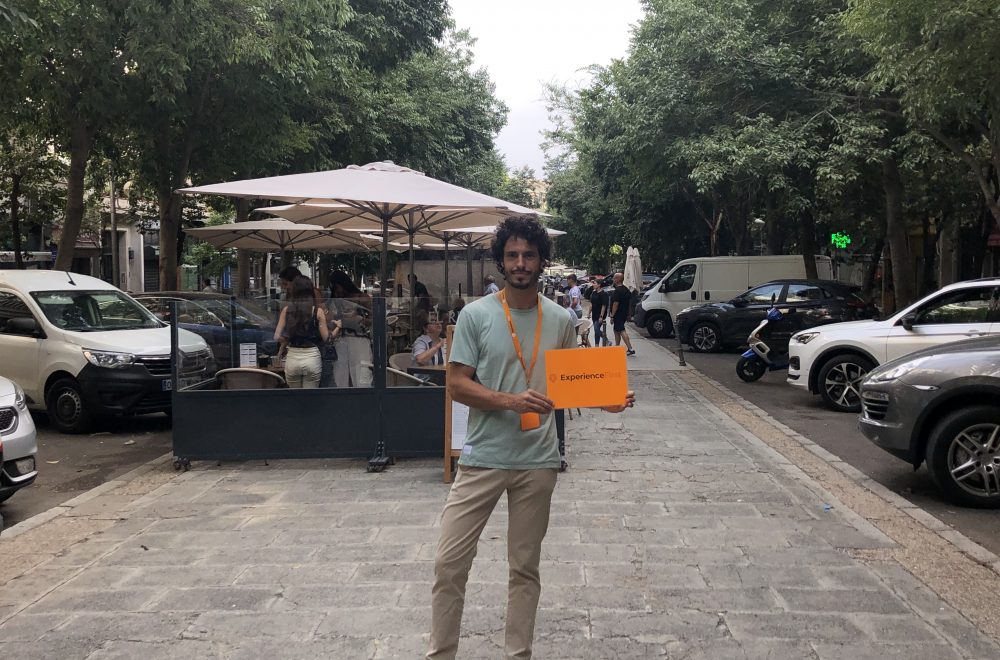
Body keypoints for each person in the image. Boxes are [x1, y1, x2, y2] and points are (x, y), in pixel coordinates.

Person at [428, 215, 636, 660]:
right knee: (449, 563)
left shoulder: (561, 319)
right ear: (501, 261)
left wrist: (609, 400)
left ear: (542, 260)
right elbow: (456, 384)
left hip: (538, 463)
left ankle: (517, 653)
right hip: (482, 458)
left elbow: (574, 383)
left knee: (524, 568)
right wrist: (510, 402)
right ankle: (440, 653)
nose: (521, 262)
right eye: (512, 255)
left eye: (529, 254)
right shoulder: (475, 315)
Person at [274, 275, 329, 388]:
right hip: (312, 357)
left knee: (294, 399)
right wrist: (338, 327)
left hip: (293, 357)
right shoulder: (318, 312)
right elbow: (327, 338)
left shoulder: (287, 310)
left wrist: (287, 338)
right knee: (310, 399)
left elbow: (277, 336)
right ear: (310, 290)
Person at [329, 270, 373, 388]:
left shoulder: (361, 298)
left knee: (362, 373)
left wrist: (359, 319)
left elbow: (373, 319)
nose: (336, 290)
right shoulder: (335, 300)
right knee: (340, 374)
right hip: (341, 339)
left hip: (358, 338)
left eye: (337, 286)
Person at [609, 272, 636, 356]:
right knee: (616, 330)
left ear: (617, 279)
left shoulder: (617, 291)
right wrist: (629, 314)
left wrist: (612, 315)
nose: (613, 280)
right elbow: (629, 303)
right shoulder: (626, 290)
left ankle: (630, 348)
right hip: (624, 313)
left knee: (621, 330)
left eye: (614, 278)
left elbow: (615, 304)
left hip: (618, 314)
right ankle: (617, 347)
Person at [589, 279, 609, 347]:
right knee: (596, 330)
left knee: (596, 329)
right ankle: (596, 345)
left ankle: (606, 340)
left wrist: (601, 316)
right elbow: (591, 304)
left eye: (594, 283)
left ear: (599, 285)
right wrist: (589, 313)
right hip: (594, 314)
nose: (593, 284)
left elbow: (604, 306)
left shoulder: (604, 294)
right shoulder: (593, 293)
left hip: (600, 314)